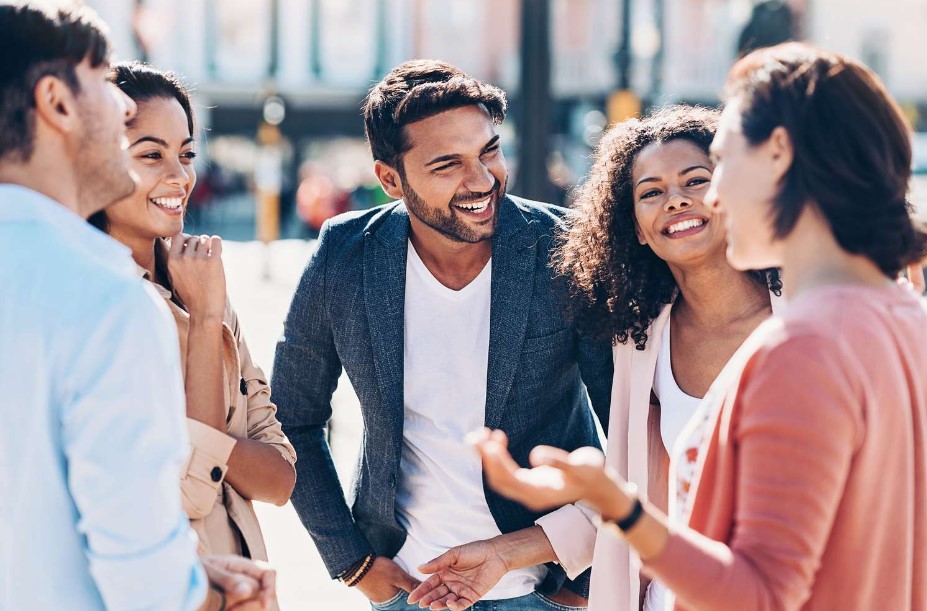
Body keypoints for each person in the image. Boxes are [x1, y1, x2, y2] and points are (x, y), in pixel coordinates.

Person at [476, 42, 927, 611]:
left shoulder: (804, 346)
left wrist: (622, 508)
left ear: (778, 156)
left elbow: (757, 594)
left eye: (721, 159)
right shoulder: (897, 313)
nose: (707, 196)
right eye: (653, 192)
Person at [271, 60, 613, 610]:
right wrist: (352, 562)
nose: (481, 181)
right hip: (407, 588)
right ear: (390, 179)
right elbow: (293, 415)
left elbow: (628, 431)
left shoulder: (565, 250)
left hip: (547, 587)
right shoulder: (346, 256)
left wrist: (577, 580)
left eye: (489, 152)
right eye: (447, 164)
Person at [413, 105, 782, 611]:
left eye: (695, 181)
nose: (674, 200)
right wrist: (504, 554)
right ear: (634, 227)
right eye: (651, 192)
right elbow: (633, 497)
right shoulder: (640, 342)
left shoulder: (812, 318)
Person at [0, 5, 276, 610]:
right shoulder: (101, 297)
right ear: (57, 102)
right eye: (103, 83)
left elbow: (279, 467)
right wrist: (213, 595)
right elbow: (143, 577)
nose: (123, 105)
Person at [88, 61, 297, 567]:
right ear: (94, 162)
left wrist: (199, 441)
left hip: (244, 588)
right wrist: (205, 324)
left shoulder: (204, 285)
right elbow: (190, 494)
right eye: (151, 154)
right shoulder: (96, 303)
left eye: (185, 154)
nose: (179, 176)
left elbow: (281, 477)